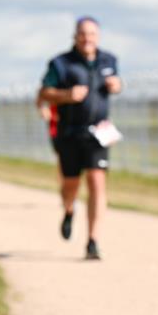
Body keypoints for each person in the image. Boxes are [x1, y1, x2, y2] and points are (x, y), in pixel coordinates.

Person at [38, 17, 122, 260]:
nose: (88, 39)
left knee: (97, 182)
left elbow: (115, 85)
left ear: (98, 36)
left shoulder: (109, 60)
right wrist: (66, 95)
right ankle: (68, 209)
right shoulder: (61, 63)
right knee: (70, 185)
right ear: (75, 36)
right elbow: (44, 92)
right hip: (69, 133)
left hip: (98, 133)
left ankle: (92, 241)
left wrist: (117, 85)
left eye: (92, 34)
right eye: (83, 34)